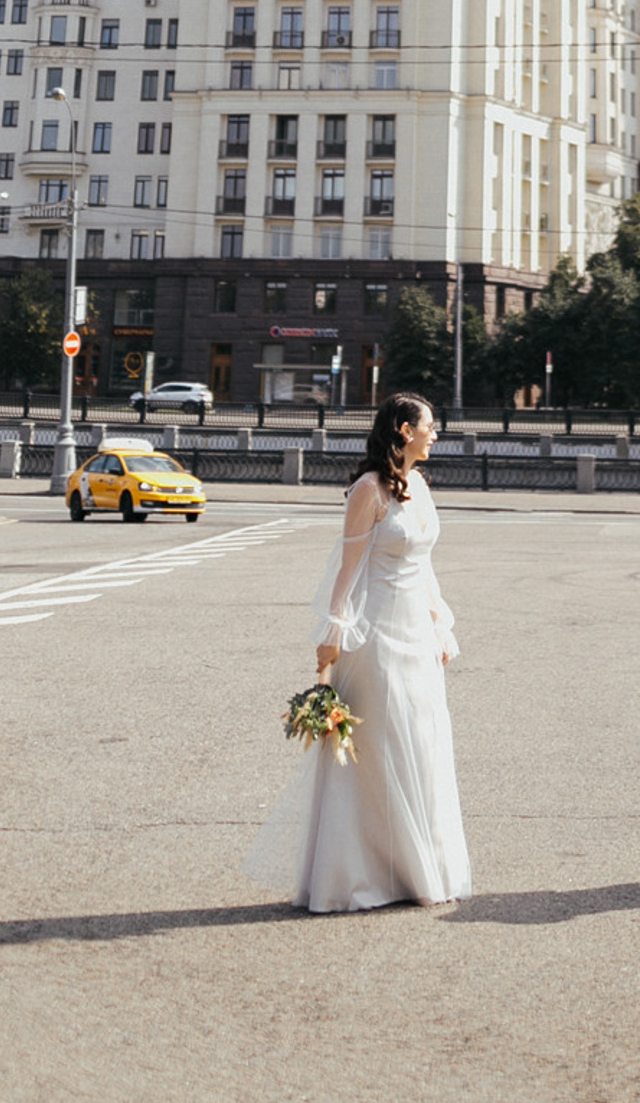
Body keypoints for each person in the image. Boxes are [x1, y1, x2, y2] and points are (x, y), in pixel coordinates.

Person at [245, 389, 471, 913]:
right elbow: (348, 572)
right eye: (429, 425)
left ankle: (412, 870)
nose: (436, 433)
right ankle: (362, 873)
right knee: (378, 751)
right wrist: (333, 634)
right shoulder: (368, 490)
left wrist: (439, 621)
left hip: (415, 632)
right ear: (403, 431)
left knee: (419, 743)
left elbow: (425, 564)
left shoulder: (417, 483)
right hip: (376, 639)